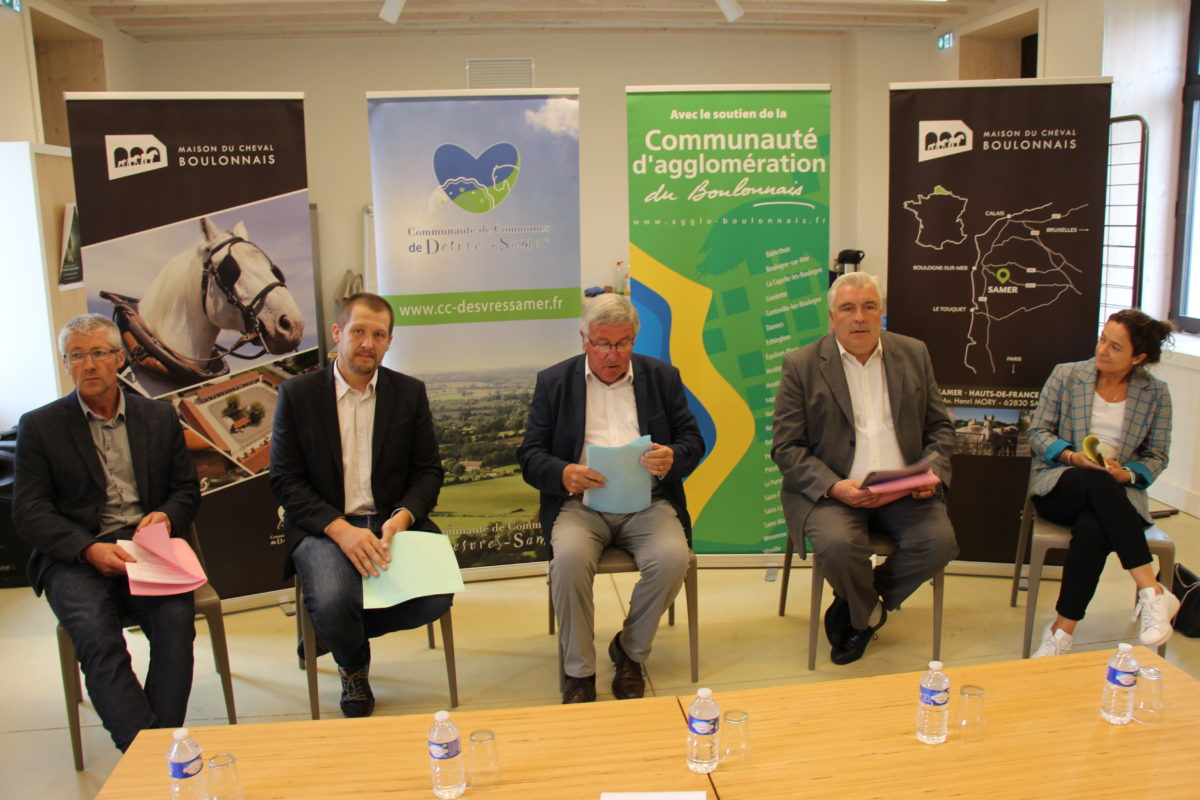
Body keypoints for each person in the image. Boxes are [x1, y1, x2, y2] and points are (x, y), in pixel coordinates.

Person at [12, 313, 201, 752]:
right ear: (66, 364)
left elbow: (186, 490)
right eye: (77, 356)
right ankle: (153, 754)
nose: (89, 364)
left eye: (98, 353)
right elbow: (29, 510)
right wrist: (86, 550)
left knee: (176, 626)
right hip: (75, 556)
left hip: (146, 547)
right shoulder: (40, 427)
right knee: (98, 639)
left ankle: (151, 751)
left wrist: (168, 517)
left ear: (119, 357)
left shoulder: (157, 417)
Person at [269, 292, 452, 717]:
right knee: (335, 599)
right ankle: (353, 666)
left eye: (378, 335)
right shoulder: (297, 395)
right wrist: (340, 530)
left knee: (436, 596)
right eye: (358, 332)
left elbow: (428, 472)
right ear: (337, 334)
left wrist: (402, 519)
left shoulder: (408, 393)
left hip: (391, 523)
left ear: (389, 342)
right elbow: (285, 480)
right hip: (325, 527)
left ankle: (329, 632)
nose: (367, 343)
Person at [518, 293, 705, 703]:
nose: (613, 355)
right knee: (567, 562)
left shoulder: (662, 378)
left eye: (623, 344)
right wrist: (563, 472)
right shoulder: (555, 382)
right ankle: (578, 671)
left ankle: (630, 651)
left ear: (634, 340)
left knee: (675, 558)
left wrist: (673, 456)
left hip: (648, 504)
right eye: (602, 343)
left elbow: (694, 440)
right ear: (584, 339)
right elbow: (530, 456)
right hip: (580, 506)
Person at [771, 272, 958, 665]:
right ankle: (867, 614)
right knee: (838, 545)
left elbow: (940, 427)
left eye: (869, 307)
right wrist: (835, 487)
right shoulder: (801, 365)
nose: (859, 317)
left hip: (904, 488)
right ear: (832, 317)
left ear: (881, 313)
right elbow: (787, 448)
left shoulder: (913, 353)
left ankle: (860, 607)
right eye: (848, 308)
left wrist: (932, 472)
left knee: (940, 544)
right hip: (835, 493)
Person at [1028, 309, 1177, 657]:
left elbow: (1157, 455)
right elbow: (1037, 432)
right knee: (1096, 484)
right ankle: (1152, 590)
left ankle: (1061, 631)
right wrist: (1072, 457)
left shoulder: (1156, 394)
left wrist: (1126, 474)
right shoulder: (1066, 375)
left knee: (1095, 525)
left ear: (1138, 357)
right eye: (1102, 339)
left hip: (1117, 494)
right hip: (1060, 483)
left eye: (1115, 347)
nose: (1102, 350)